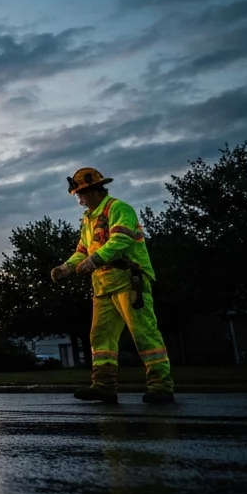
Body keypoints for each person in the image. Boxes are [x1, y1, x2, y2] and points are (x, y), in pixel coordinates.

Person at [50, 168, 175, 404]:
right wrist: (66, 267)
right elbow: (82, 251)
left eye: (80, 194)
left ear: (94, 191)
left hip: (129, 281)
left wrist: (94, 260)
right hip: (103, 287)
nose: (78, 200)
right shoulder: (89, 219)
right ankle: (104, 386)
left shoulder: (119, 209)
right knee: (100, 338)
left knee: (144, 334)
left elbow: (120, 240)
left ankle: (161, 386)